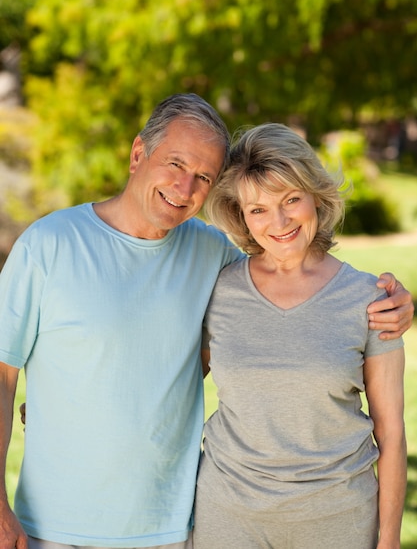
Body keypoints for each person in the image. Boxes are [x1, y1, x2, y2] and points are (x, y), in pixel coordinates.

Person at [0, 97, 411, 549]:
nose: (183, 186)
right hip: (59, 527)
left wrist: (398, 303)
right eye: (175, 163)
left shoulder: (212, 255)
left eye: (203, 177)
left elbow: (288, 290)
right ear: (138, 154)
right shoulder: (49, 244)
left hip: (172, 530)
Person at [194, 123, 407, 549]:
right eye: (258, 210)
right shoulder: (216, 290)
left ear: (315, 196)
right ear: (240, 215)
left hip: (339, 519)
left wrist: (388, 541)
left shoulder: (369, 299)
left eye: (291, 200)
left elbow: (392, 433)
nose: (279, 222)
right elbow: (166, 388)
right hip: (229, 518)